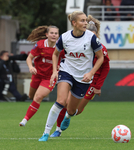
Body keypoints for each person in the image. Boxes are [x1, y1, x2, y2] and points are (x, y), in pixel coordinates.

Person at [38, 10, 104, 142]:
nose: (85, 23)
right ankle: (45, 133)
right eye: (82, 21)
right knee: (61, 101)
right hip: (66, 71)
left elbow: (101, 58)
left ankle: (68, 116)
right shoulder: (65, 37)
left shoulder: (91, 38)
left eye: (86, 20)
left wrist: (91, 73)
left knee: (72, 109)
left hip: (83, 77)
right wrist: (55, 71)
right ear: (74, 23)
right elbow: (55, 54)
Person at [19, 25, 65, 126]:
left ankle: (25, 120)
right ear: (46, 34)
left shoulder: (61, 47)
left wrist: (58, 70)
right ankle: (30, 112)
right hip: (37, 75)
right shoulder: (40, 45)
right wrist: (31, 67)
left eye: (56, 33)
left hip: (50, 77)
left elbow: (67, 60)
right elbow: (29, 58)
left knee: (38, 96)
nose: (54, 35)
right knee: (31, 96)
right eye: (52, 33)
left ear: (58, 35)